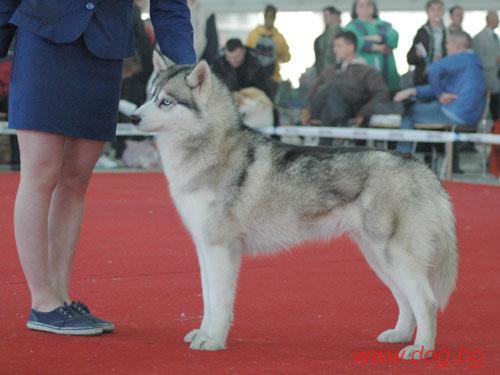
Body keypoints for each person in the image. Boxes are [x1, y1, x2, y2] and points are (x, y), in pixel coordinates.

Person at [0, 1, 195, 335]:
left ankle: (60, 298)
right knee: (41, 172)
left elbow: (170, 5)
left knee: (77, 178)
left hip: (105, 50)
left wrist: (187, 70)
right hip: (44, 39)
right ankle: (42, 301)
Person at [395, 31, 486, 155]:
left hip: (456, 113)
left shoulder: (461, 58)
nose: (446, 46)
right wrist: (413, 91)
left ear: (457, 46)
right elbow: (443, 87)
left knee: (409, 111)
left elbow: (433, 69)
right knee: (422, 106)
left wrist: (440, 95)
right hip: (470, 116)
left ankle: (401, 159)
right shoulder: (473, 61)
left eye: (448, 43)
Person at [305, 31, 392, 145]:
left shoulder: (368, 72)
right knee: (331, 89)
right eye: (334, 46)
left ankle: (325, 153)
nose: (334, 50)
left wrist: (363, 113)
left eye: (338, 46)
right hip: (319, 108)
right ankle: (342, 126)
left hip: (347, 111)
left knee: (329, 110)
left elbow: (382, 94)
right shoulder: (329, 71)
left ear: (351, 47)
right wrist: (306, 111)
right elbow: (313, 94)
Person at [344, 0, 400, 93]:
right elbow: (355, 42)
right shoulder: (350, 27)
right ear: (355, 9)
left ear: (374, 7)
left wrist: (379, 38)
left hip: (389, 78)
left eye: (369, 4)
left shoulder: (384, 25)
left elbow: (394, 38)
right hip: (363, 80)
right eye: (361, 5)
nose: (365, 8)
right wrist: (380, 47)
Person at [246, 4, 291, 95]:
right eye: (269, 17)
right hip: (268, 78)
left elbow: (247, 54)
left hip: (261, 77)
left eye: (271, 17)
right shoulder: (279, 38)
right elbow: (286, 58)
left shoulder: (254, 34)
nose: (270, 20)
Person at [407, 0, 447, 86]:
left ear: (443, 11)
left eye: (439, 9)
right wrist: (417, 55)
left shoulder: (449, 33)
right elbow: (410, 59)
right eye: (433, 10)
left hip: (445, 77)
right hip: (425, 78)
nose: (436, 12)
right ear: (427, 12)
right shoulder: (422, 33)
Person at [473, 11, 500, 120]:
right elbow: (477, 60)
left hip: (497, 79)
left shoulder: (496, 37)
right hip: (487, 79)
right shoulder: (479, 38)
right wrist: (495, 60)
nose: (498, 21)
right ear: (489, 20)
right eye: (497, 19)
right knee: (489, 110)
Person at [314, 6, 342, 76]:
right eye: (324, 16)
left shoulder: (340, 33)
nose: (324, 18)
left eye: (327, 15)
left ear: (335, 15)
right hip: (324, 70)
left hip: (334, 70)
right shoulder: (324, 36)